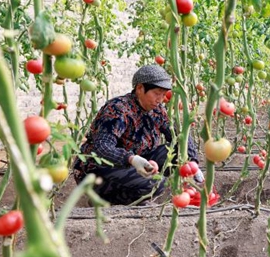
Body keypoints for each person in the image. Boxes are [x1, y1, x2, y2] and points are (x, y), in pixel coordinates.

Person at [72, 65, 202, 205]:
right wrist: (131, 159)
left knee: (177, 152)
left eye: (164, 94)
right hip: (100, 170)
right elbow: (102, 147)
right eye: (157, 93)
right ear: (140, 88)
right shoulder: (118, 110)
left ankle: (135, 190)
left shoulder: (157, 110)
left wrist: (192, 162)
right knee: (157, 183)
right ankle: (106, 199)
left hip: (135, 161)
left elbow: (178, 136)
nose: (160, 99)